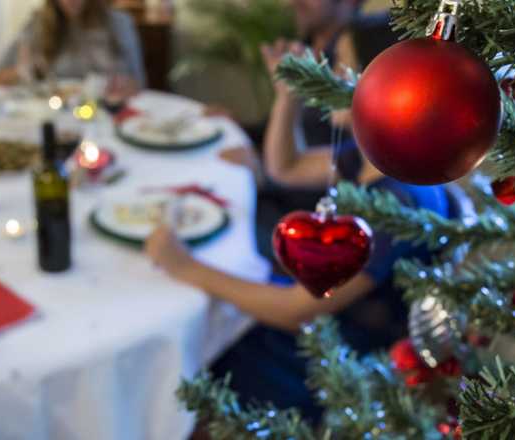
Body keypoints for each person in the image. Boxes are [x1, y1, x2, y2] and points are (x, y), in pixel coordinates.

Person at [143, 13, 459, 422]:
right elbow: (285, 167)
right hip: (320, 322)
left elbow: (298, 311)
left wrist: (183, 265)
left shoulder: (400, 197)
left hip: (344, 361)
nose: (331, 76)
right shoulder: (375, 155)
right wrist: (287, 98)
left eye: (345, 69)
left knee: (198, 355)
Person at [0, 0, 145, 91]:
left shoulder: (119, 23)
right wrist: (21, 71)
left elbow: (139, 84)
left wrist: (122, 84)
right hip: (60, 121)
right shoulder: (38, 24)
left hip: (108, 121)